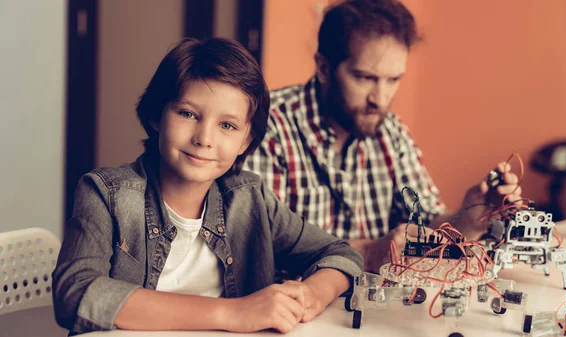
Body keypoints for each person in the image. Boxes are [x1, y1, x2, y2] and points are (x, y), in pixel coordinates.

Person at [52, 37, 363, 335]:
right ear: (158, 115)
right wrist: (236, 312)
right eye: (188, 114)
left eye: (227, 125)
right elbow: (76, 293)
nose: (204, 139)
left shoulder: (249, 199)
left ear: (246, 141)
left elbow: (340, 254)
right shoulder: (106, 194)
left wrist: (311, 294)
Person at [244, 0, 522, 272]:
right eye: (365, 78)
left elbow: (425, 223)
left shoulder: (389, 130)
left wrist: (470, 219)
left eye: (393, 80)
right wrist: (367, 253)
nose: (381, 99)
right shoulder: (268, 128)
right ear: (324, 68)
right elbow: (260, 253)